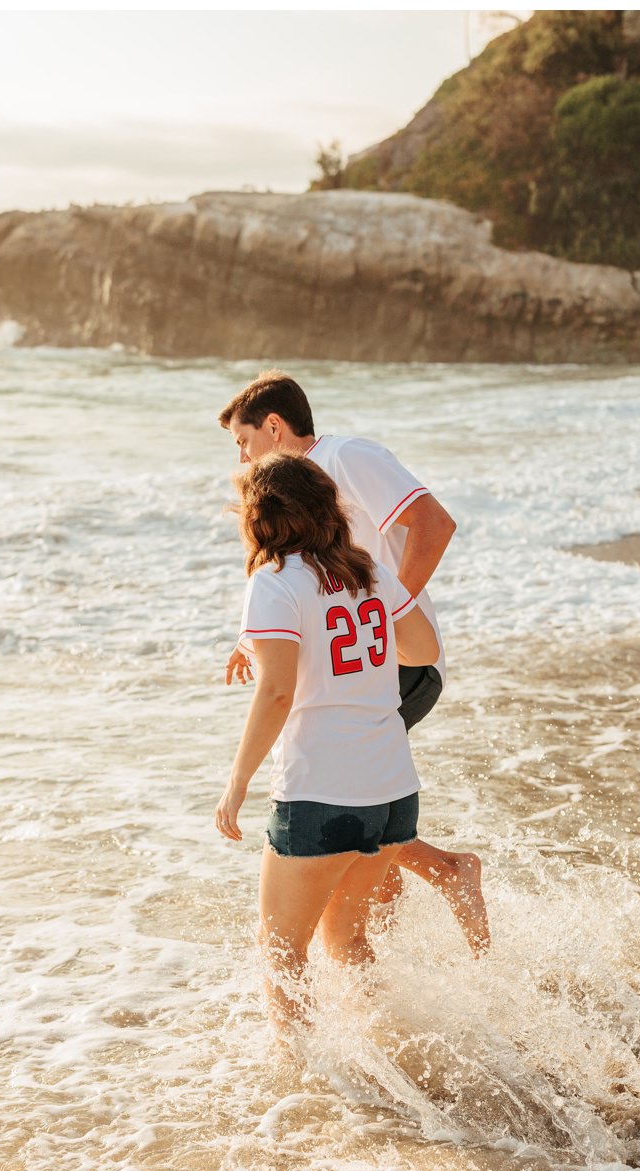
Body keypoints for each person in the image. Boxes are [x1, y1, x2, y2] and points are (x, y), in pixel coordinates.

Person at [218, 370, 489, 955]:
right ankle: (371, 954)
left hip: (397, 658)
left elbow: (436, 524)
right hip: (374, 645)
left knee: (344, 786)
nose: (240, 459)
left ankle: (442, 874)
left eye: (243, 443)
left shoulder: (348, 456)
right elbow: (314, 593)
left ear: (274, 426)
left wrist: (377, 610)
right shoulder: (306, 541)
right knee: (364, 801)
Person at [214, 453, 441, 1032]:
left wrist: (236, 783)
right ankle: (390, 1048)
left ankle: (306, 1087)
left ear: (261, 517)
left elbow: (276, 694)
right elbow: (421, 651)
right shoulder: (366, 570)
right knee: (348, 939)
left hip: (321, 791)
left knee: (282, 955)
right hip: (393, 790)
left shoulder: (275, 580)